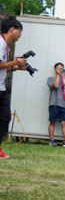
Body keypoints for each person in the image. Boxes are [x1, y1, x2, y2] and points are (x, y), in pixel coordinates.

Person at [0, 16, 30, 159]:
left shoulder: (5, 45)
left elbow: (3, 68)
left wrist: (17, 67)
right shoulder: (0, 43)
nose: (20, 35)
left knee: (5, 118)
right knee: (3, 118)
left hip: (1, 88)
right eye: (19, 31)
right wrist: (14, 62)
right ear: (12, 30)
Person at [46, 62, 65, 147]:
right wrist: (58, 75)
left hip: (63, 104)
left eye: (62, 69)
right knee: (52, 122)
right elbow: (55, 85)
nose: (60, 70)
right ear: (55, 69)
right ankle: (52, 141)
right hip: (54, 103)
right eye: (59, 68)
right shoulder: (50, 78)